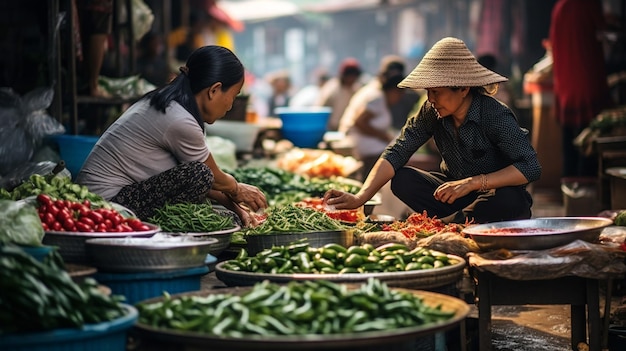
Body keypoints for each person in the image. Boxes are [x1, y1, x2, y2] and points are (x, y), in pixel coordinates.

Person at [324, 37, 542, 224]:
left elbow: (531, 167)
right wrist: (360, 197)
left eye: (436, 91)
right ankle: (455, 220)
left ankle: (453, 223)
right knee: (402, 179)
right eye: (428, 91)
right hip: (453, 197)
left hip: (492, 197)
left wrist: (474, 183)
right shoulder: (431, 111)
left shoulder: (494, 114)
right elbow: (397, 151)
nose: (431, 99)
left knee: (510, 198)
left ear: (464, 88)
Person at [76, 46, 268, 226]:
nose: (231, 105)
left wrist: (237, 210)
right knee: (198, 174)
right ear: (214, 90)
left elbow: (210, 181)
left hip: (114, 197)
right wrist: (237, 189)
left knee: (209, 189)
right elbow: (209, 177)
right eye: (233, 96)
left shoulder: (171, 105)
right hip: (103, 206)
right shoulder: (179, 120)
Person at [548, 0, 613, 177]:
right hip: (587, 83)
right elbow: (604, 29)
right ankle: (587, 193)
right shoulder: (587, 4)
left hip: (565, 86)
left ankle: (571, 192)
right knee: (589, 144)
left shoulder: (560, 7)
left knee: (569, 143)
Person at [338, 74, 405, 182]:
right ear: (393, 90)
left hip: (363, 140)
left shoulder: (378, 95)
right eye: (400, 93)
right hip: (358, 141)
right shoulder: (377, 98)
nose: (401, 98)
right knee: (392, 155)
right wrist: (383, 136)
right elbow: (359, 121)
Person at [317, 58, 364, 131]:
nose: (353, 79)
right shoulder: (331, 89)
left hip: (347, 130)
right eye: (351, 76)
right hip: (331, 130)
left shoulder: (355, 89)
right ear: (345, 75)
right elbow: (320, 110)